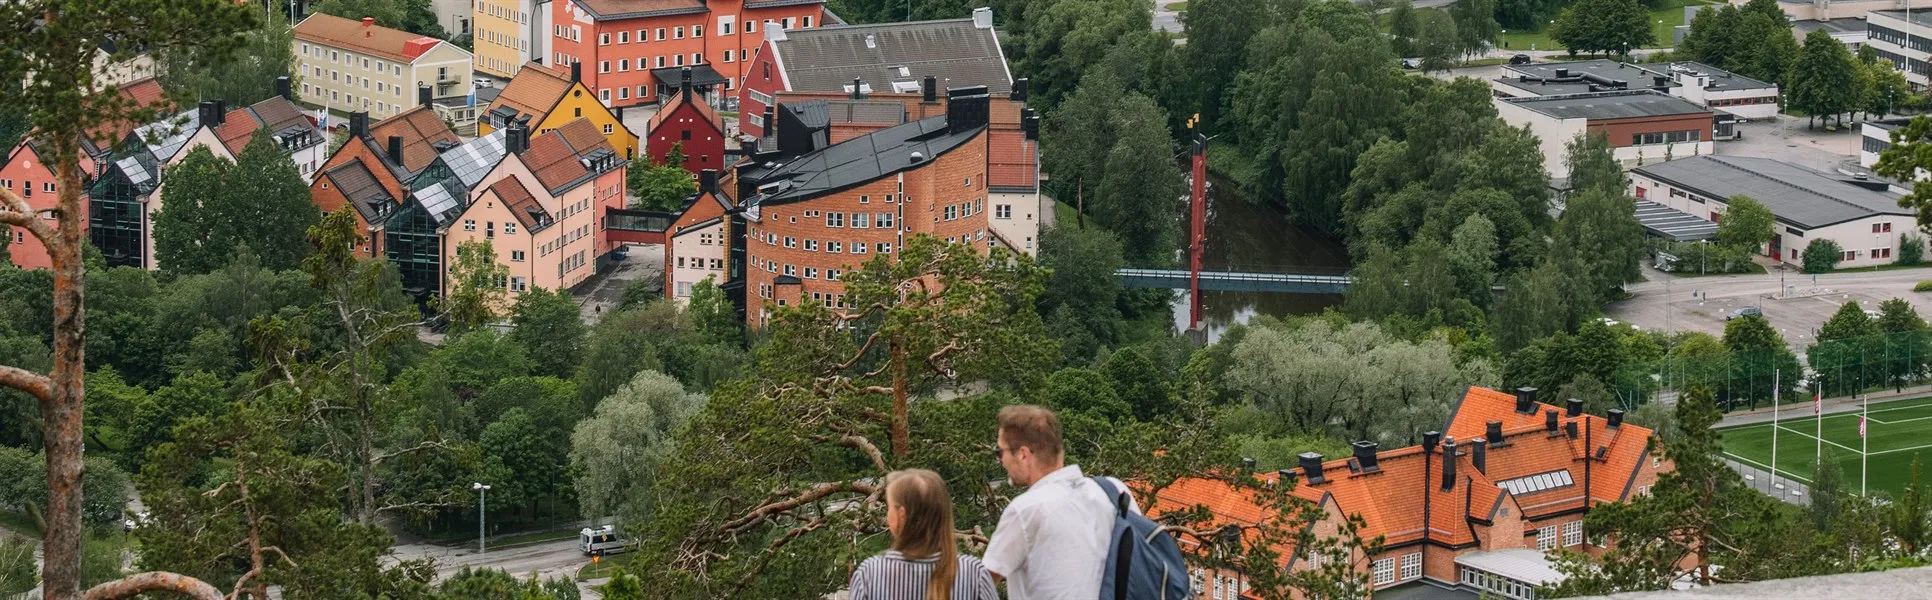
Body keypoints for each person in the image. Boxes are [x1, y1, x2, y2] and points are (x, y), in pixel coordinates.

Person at [984, 405, 1138, 600]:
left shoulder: (1025, 510)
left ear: (1023, 454)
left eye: (999, 452)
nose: (1000, 460)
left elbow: (981, 583)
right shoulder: (1115, 491)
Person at [849, 469, 1000, 600]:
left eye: (889, 507)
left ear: (901, 515)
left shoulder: (870, 574)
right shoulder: (973, 572)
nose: (887, 515)